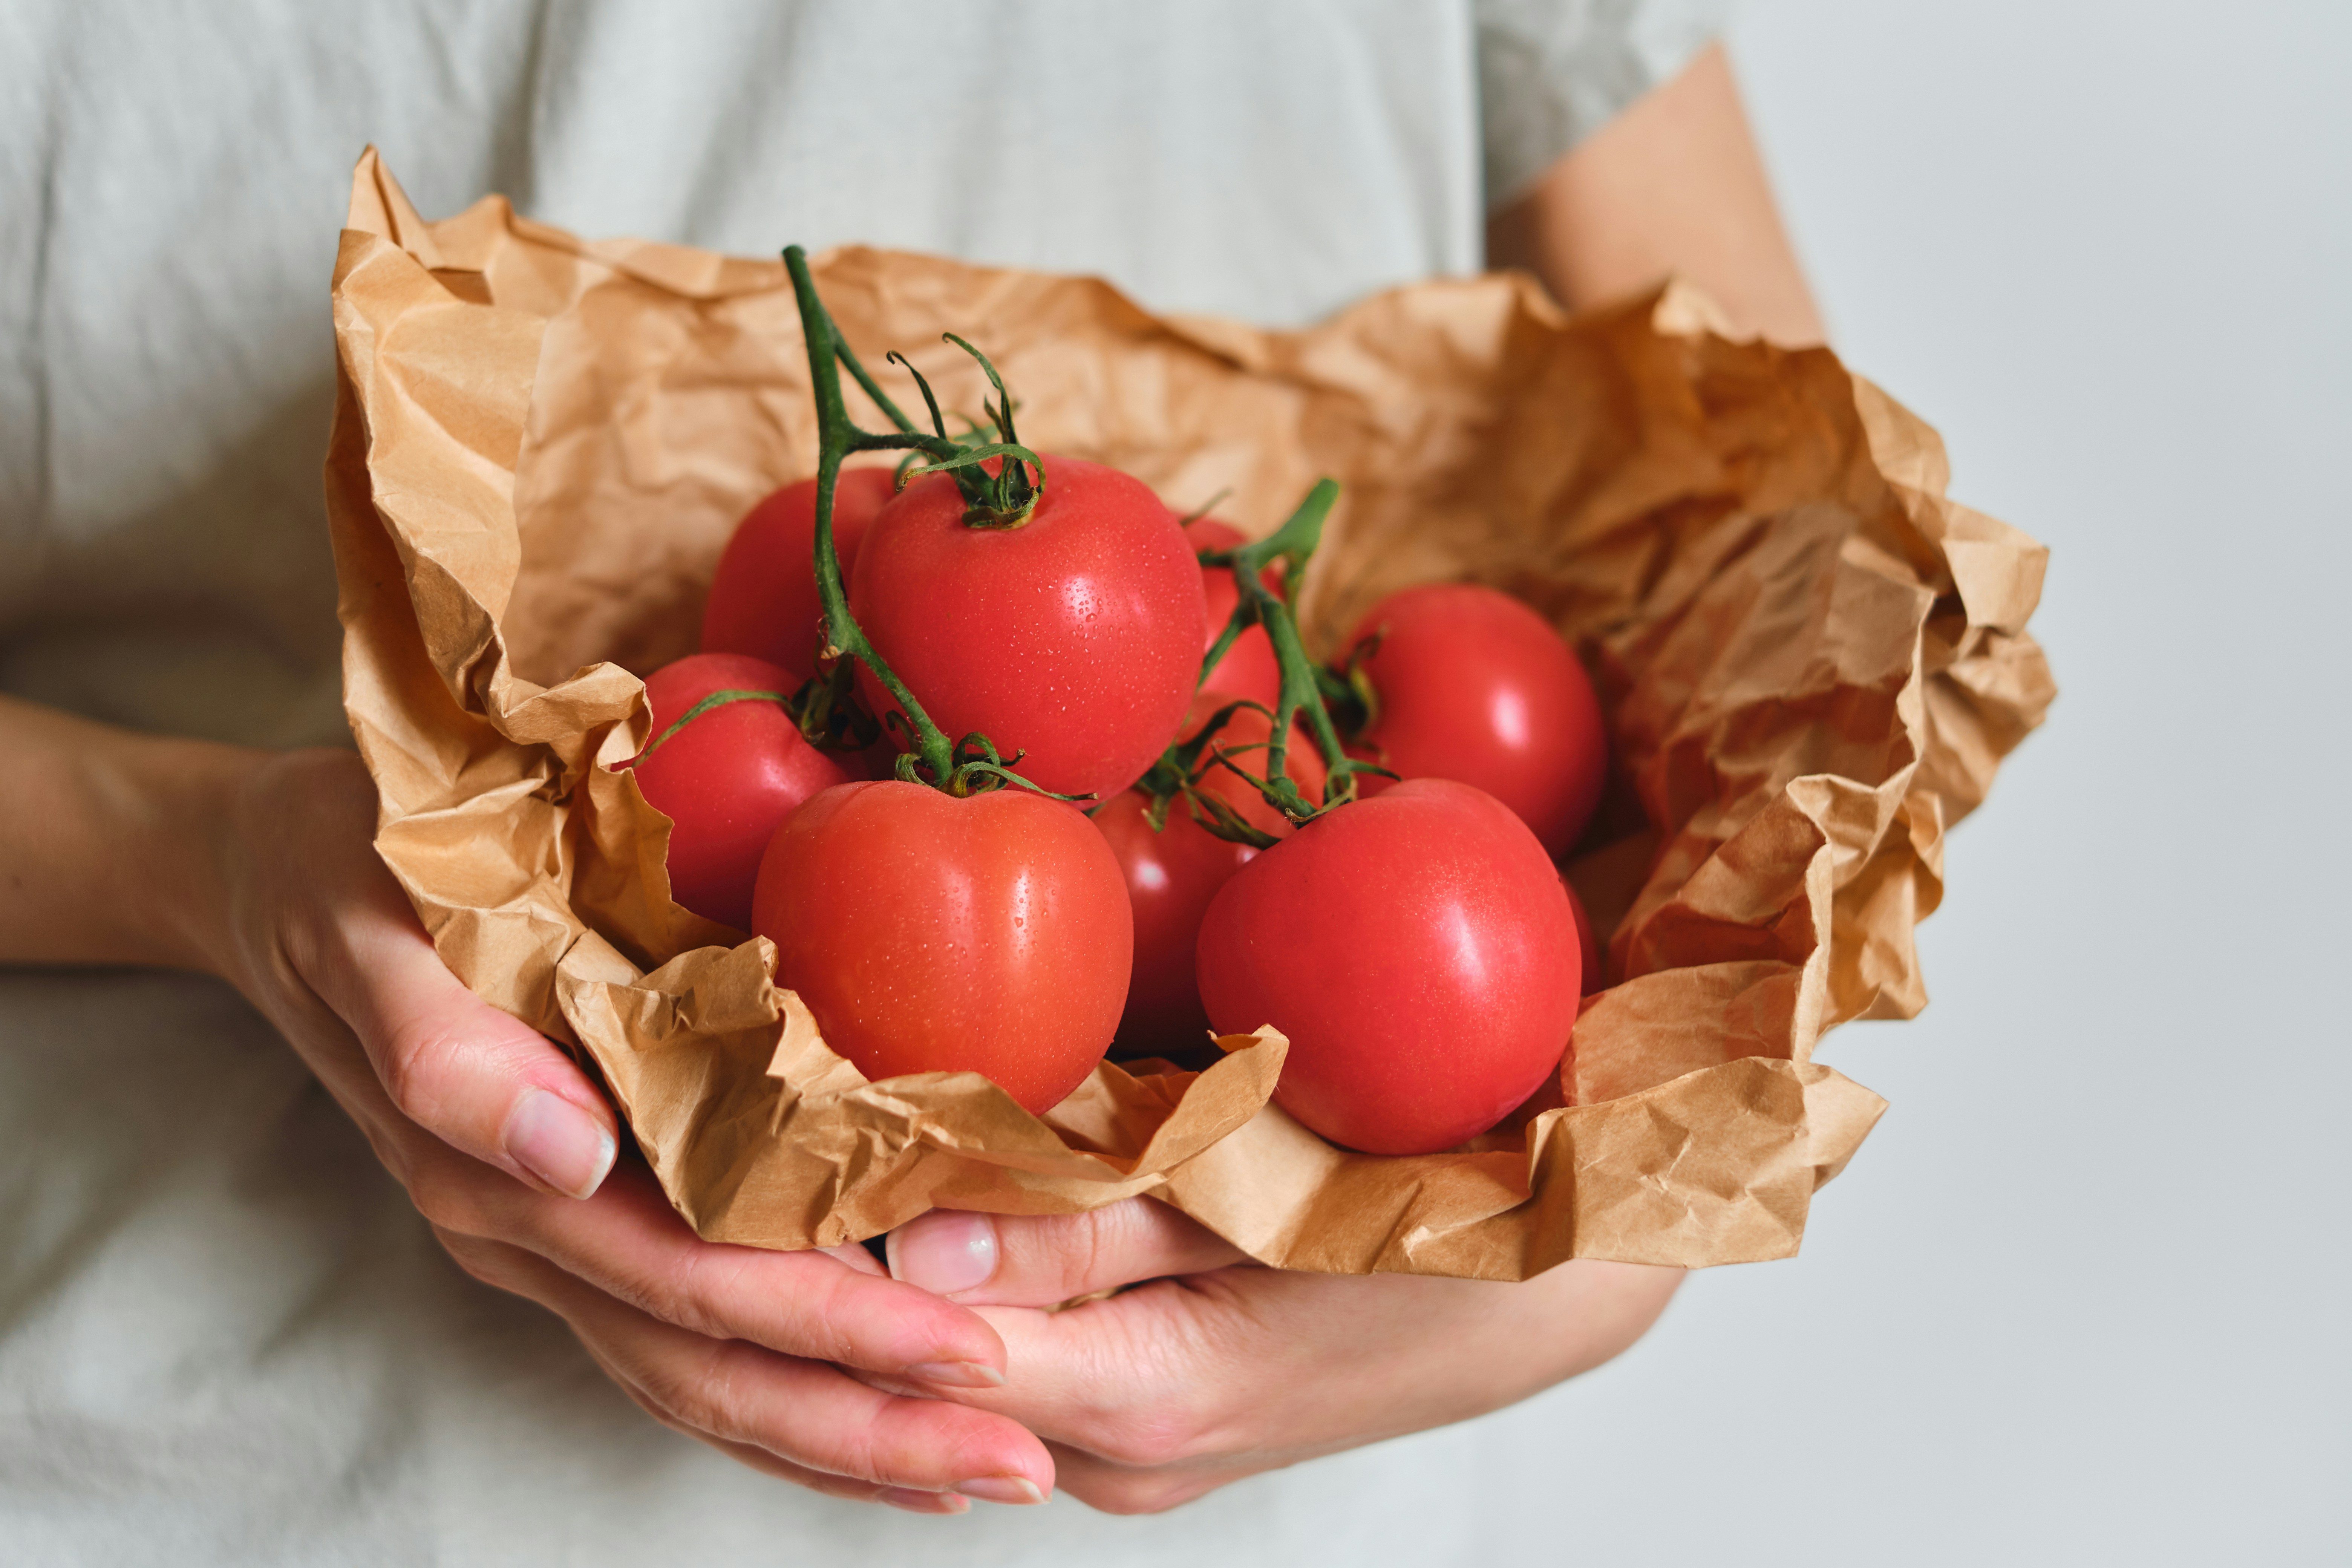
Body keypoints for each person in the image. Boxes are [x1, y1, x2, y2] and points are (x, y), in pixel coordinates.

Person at [0, 0, 1820, 1553]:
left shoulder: (1150, 769)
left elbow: (1789, 535)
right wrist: (213, 857)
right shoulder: (830, 707)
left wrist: (1608, 1230)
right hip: (245, 1456)